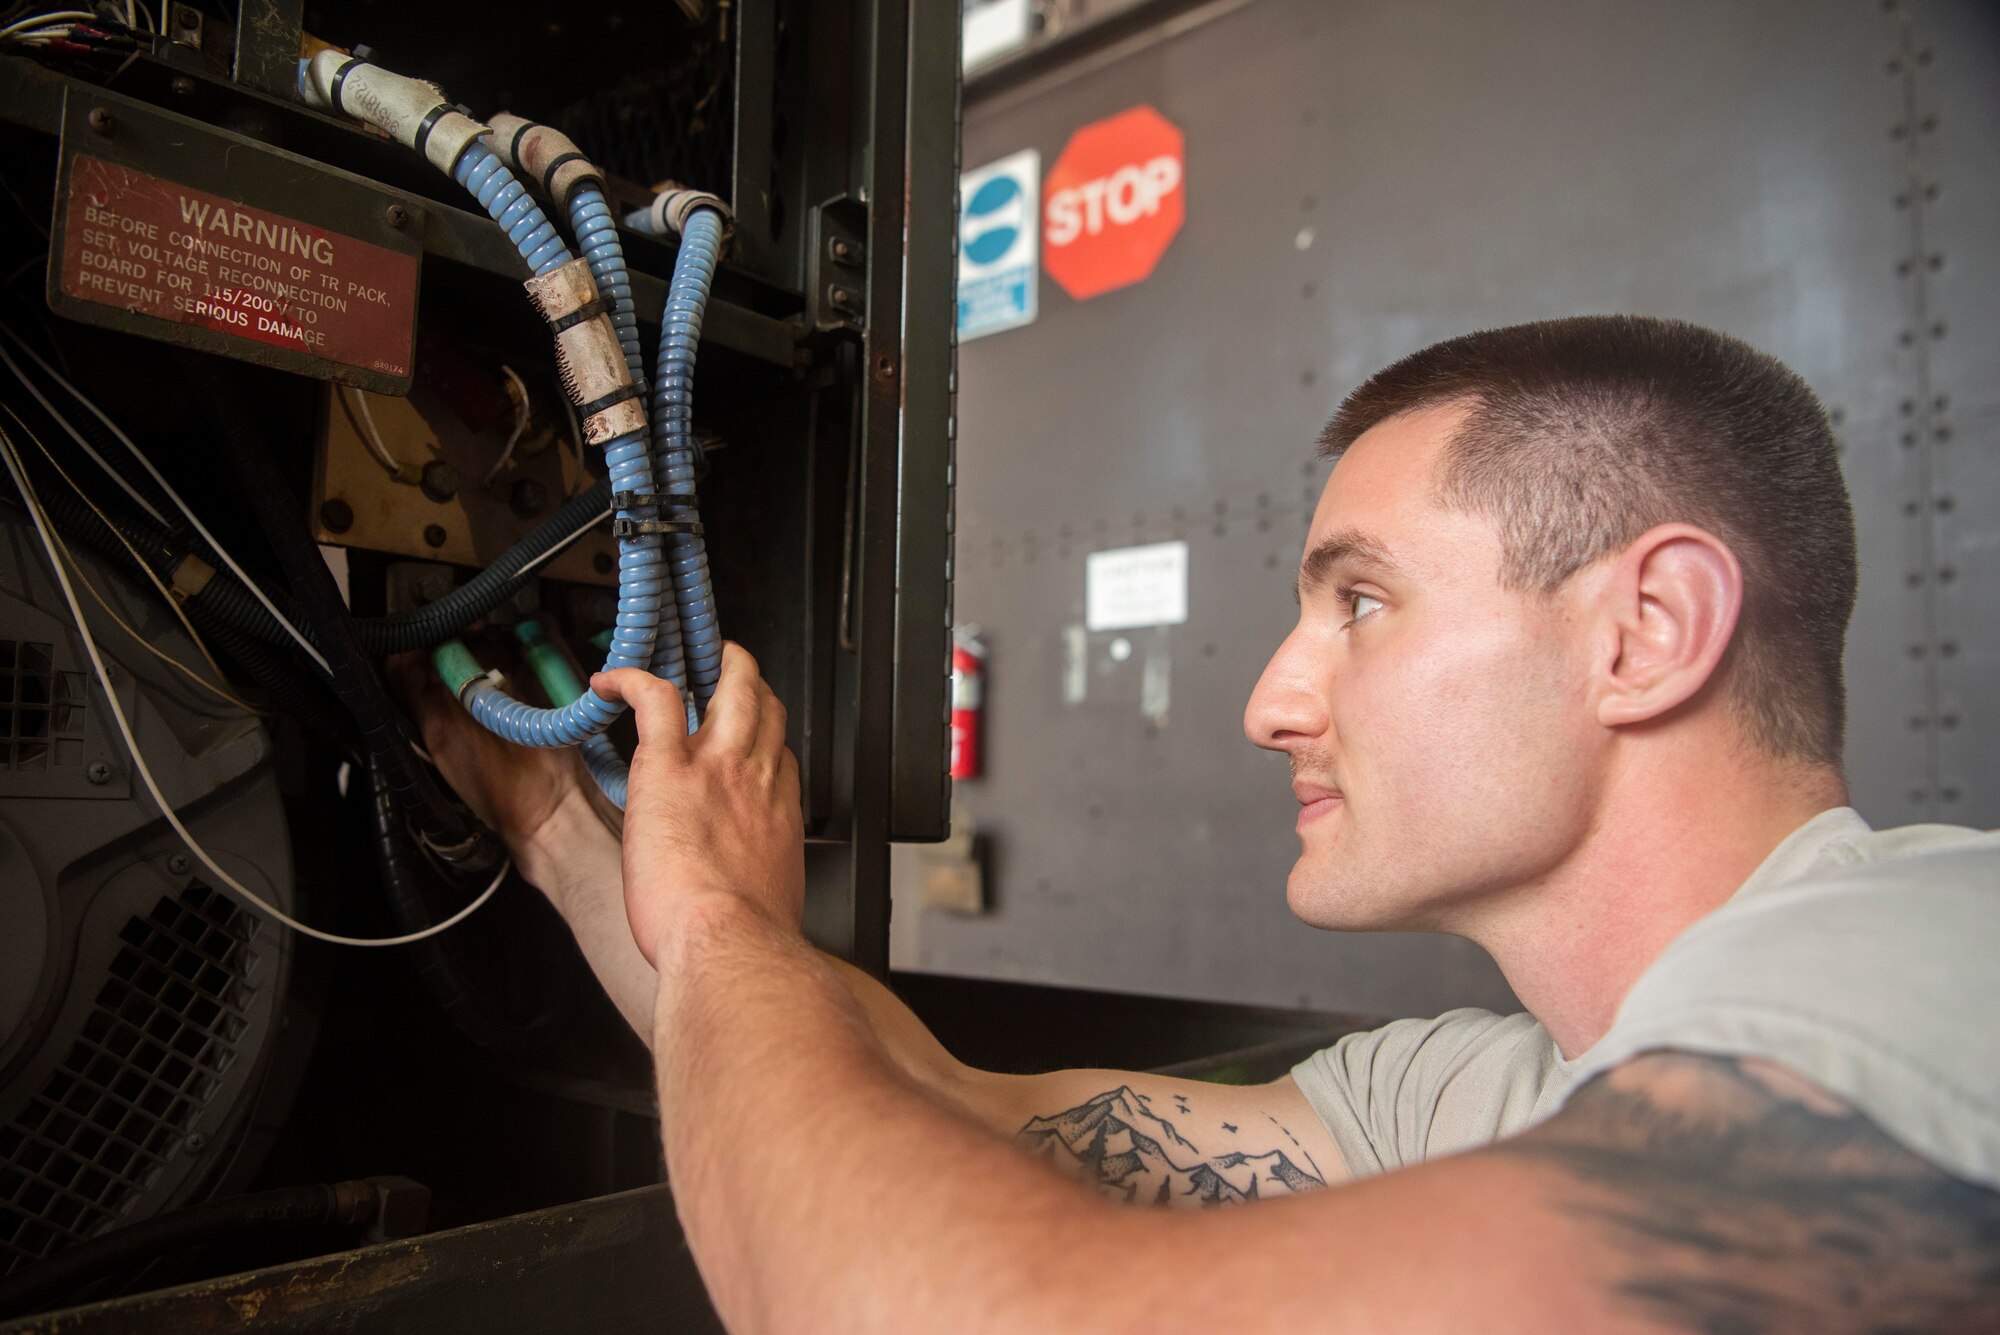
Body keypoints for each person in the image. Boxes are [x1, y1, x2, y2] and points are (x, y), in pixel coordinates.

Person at [406, 315, 2000, 1332]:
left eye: (1360, 603)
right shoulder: (1460, 1092)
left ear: (1647, 629)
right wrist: (556, 822)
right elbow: (908, 1113)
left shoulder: (1923, 965)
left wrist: (717, 934)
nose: (1270, 704)